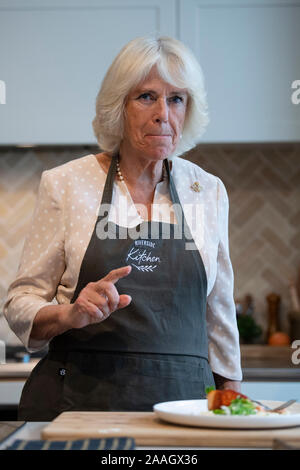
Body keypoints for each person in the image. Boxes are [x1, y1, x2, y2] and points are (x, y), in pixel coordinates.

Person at [4, 35, 242, 421]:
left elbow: (219, 313)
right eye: (147, 96)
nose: (163, 113)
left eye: (176, 99)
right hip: (79, 408)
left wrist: (233, 405)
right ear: (119, 107)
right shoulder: (67, 184)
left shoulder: (207, 191)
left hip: (186, 410)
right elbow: (20, 303)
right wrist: (70, 314)